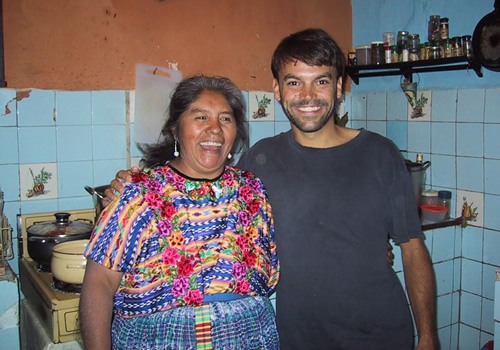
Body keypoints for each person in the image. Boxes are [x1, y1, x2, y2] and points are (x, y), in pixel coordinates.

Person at [107, 28, 439, 349]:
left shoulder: (380, 154)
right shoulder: (260, 161)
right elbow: (197, 191)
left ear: (339, 87)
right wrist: (128, 188)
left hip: (380, 335)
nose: (307, 96)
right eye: (294, 82)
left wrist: (427, 337)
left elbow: (412, 248)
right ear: (277, 90)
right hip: (297, 338)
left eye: (320, 81)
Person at [79, 75, 280, 350]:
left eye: (225, 119)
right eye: (200, 117)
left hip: (252, 338)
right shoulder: (139, 194)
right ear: (175, 129)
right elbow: (98, 285)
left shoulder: (253, 191)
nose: (215, 130)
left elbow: (266, 280)